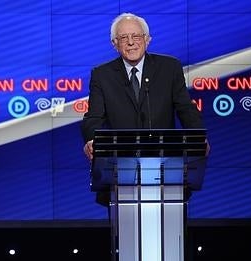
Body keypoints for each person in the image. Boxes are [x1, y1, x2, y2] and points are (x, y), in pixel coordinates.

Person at [81, 13, 208, 205]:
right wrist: (91, 140)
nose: (131, 42)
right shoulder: (102, 75)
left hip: (165, 169)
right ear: (115, 44)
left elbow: (185, 109)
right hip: (121, 171)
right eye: (124, 38)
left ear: (147, 40)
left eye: (136, 36)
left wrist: (199, 139)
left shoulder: (169, 67)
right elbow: (94, 117)